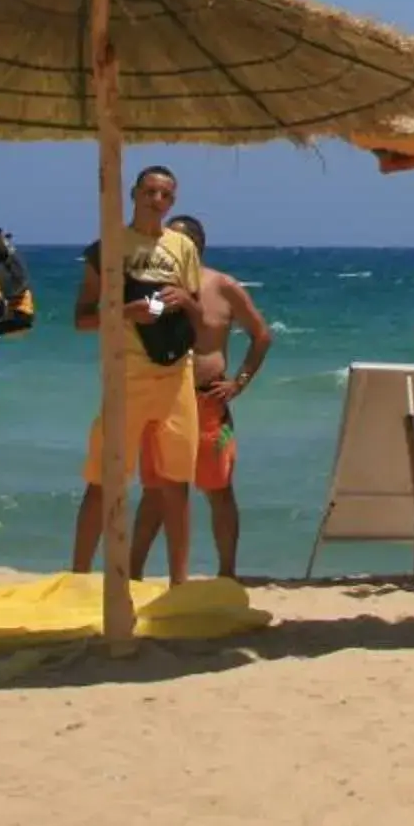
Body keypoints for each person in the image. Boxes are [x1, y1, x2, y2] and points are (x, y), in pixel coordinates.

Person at [70, 165, 202, 584]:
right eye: (149, 192)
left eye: (165, 195)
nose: (156, 201)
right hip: (127, 374)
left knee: (176, 482)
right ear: (133, 194)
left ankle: (179, 580)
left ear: (173, 201)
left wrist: (183, 298)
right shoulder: (108, 247)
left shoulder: (182, 247)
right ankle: (78, 575)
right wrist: (126, 312)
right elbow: (82, 319)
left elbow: (200, 314)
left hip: (175, 371)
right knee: (105, 479)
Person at [122, 213, 269, 582]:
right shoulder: (151, 286)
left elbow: (261, 335)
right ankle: (133, 573)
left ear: (198, 246)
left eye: (181, 239)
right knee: (155, 491)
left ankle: (227, 574)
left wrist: (239, 382)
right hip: (164, 396)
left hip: (208, 403)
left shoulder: (221, 285)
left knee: (217, 489)